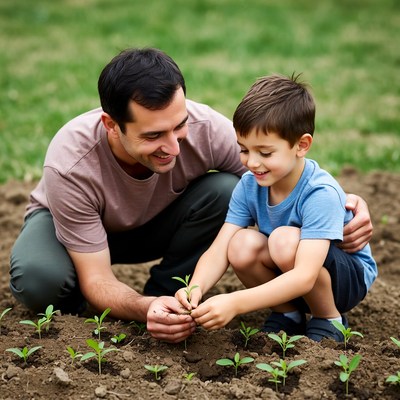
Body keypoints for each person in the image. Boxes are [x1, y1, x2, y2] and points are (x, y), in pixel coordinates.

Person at [9, 48, 372, 343]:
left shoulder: (210, 131)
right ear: (112, 126)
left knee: (233, 201)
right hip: (83, 238)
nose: (173, 146)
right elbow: (98, 278)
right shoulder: (70, 163)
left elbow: (293, 170)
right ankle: (96, 305)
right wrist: (158, 301)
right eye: (153, 136)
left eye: (179, 125)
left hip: (318, 271)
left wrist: (350, 203)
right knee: (41, 279)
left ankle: (170, 296)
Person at [175, 74, 377, 342]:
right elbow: (219, 249)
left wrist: (236, 302)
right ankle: (288, 314)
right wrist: (194, 289)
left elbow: (305, 276)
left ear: (301, 145)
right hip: (292, 270)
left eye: (265, 153)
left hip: (346, 279)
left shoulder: (320, 192)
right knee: (239, 243)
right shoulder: (250, 185)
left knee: (283, 239)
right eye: (244, 150)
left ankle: (329, 318)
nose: (252, 163)